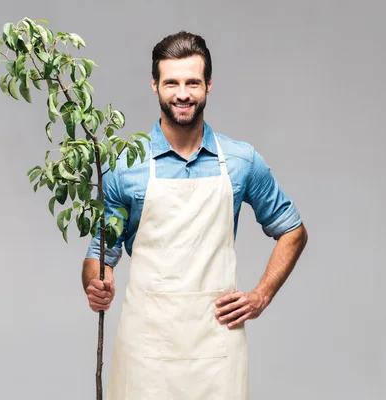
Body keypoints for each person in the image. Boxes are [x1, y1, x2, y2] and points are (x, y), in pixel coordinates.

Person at [81, 31, 308, 399]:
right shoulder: (126, 165)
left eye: (192, 82)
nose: (182, 94)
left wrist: (261, 295)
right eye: (172, 82)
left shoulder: (240, 161)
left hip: (216, 348)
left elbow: (292, 231)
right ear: (155, 85)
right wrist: (96, 284)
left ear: (208, 85)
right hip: (146, 349)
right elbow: (100, 254)